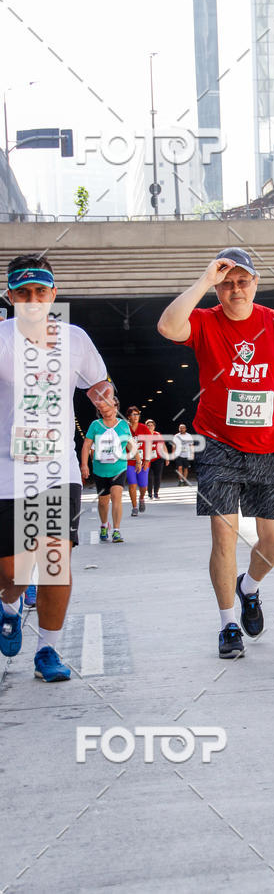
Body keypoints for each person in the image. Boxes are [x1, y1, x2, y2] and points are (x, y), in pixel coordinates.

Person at [157, 246, 274, 659]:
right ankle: (228, 623)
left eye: (242, 281)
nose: (234, 289)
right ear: (217, 288)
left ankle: (250, 587)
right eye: (226, 282)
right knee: (223, 536)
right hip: (218, 445)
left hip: (268, 448)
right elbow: (167, 326)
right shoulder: (205, 321)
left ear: (255, 283)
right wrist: (203, 280)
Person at [0, 254, 109, 681]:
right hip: (8, 467)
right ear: (9, 296)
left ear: (53, 295)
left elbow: (98, 381)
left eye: (40, 293)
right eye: (23, 293)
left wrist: (105, 397)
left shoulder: (75, 339)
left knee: (54, 560)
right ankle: (9, 604)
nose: (32, 301)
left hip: (57, 467)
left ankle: (49, 651)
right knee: (13, 569)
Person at [81, 395, 138, 543]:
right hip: (100, 469)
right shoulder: (95, 425)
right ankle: (104, 524)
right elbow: (87, 445)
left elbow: (130, 443)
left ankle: (117, 530)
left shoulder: (123, 425)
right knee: (103, 501)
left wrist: (138, 459)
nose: (107, 409)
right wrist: (84, 464)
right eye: (104, 406)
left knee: (116, 495)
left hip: (119, 467)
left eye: (110, 405)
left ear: (116, 407)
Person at [126, 406, 151, 515]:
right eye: (133, 414)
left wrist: (147, 459)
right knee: (132, 484)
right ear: (129, 417)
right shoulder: (125, 428)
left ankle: (141, 498)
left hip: (143, 460)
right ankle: (134, 507)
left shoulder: (144, 428)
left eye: (137, 414)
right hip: (129, 461)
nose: (136, 417)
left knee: (143, 485)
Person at [146, 418, 170, 499]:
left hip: (158, 458)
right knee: (149, 477)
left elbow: (163, 446)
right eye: (148, 425)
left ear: (154, 426)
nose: (150, 427)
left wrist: (167, 457)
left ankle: (156, 493)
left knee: (158, 476)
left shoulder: (158, 435)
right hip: (147, 459)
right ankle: (149, 494)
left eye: (151, 425)